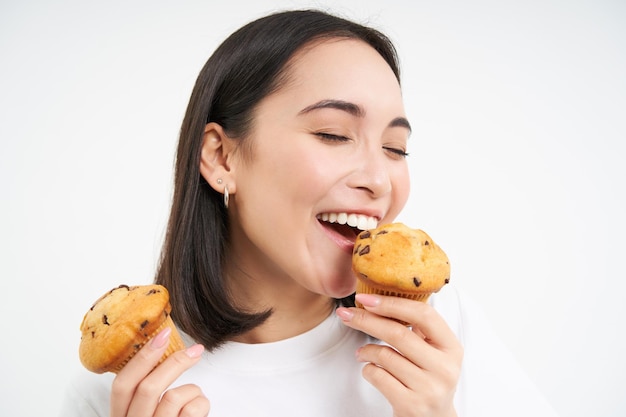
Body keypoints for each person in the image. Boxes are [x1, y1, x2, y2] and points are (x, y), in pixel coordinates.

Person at [60, 9, 559, 417]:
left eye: (396, 148)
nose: (379, 179)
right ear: (221, 157)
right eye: (333, 134)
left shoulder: (438, 336)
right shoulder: (122, 393)